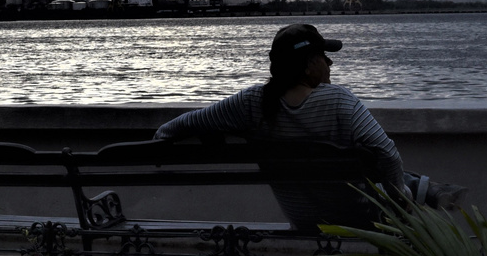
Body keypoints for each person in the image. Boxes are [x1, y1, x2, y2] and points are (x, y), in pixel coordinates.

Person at [152, 22, 459, 229]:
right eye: (325, 57)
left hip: (302, 217)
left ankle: (427, 188)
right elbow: (388, 154)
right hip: (356, 219)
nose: (330, 64)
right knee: (405, 194)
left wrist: (205, 136)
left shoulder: (250, 102)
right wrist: (400, 198)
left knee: (395, 181)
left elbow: (174, 128)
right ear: (310, 64)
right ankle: (427, 194)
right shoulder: (339, 101)